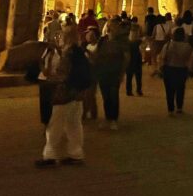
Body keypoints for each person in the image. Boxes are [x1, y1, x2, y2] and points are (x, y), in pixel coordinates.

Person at [37, 25, 90, 167]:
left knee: (55, 125)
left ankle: (50, 156)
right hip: (78, 94)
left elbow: (63, 75)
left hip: (65, 94)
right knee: (74, 124)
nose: (59, 38)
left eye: (61, 36)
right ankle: (76, 154)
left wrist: (49, 81)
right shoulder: (80, 51)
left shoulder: (68, 54)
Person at [93, 19, 128, 130]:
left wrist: (122, 73)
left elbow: (126, 58)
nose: (110, 28)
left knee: (113, 95)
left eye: (112, 26)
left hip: (114, 72)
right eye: (108, 26)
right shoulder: (103, 40)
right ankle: (107, 118)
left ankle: (113, 119)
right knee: (105, 96)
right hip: (103, 72)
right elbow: (97, 54)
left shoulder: (122, 41)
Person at [159, 27, 193, 115]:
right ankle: (179, 107)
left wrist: (161, 68)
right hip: (181, 69)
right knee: (180, 88)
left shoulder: (167, 45)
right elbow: (191, 59)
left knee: (169, 90)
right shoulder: (188, 46)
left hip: (169, 68)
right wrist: (190, 70)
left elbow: (163, 57)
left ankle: (170, 109)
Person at [81, 28, 100, 121]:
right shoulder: (88, 46)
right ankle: (92, 112)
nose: (88, 37)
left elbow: (95, 58)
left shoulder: (97, 46)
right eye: (88, 36)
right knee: (88, 93)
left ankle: (86, 112)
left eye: (90, 35)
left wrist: (87, 52)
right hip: (87, 71)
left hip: (93, 71)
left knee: (90, 93)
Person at [125, 16, 143, 96]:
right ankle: (138, 90)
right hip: (137, 57)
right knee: (138, 75)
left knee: (129, 75)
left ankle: (129, 91)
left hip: (130, 58)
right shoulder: (138, 41)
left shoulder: (128, 41)